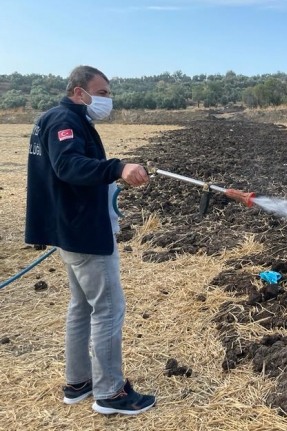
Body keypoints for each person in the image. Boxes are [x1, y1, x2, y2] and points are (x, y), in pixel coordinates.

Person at [25, 65, 155, 415]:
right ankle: (111, 393)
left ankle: (78, 382)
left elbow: (72, 169)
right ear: (79, 91)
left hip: (71, 229)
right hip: (83, 231)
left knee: (82, 307)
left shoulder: (58, 118)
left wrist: (114, 175)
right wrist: (116, 168)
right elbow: (68, 167)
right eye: (103, 93)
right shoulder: (64, 120)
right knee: (109, 309)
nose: (107, 101)